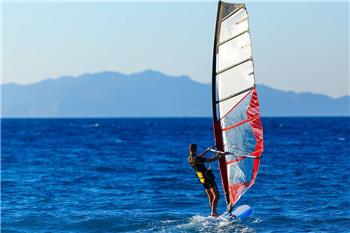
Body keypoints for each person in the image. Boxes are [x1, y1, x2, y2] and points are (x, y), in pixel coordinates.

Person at [188, 143, 227, 217]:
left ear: (189, 150)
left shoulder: (190, 159)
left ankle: (213, 212)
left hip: (202, 179)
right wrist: (222, 155)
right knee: (217, 195)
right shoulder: (197, 159)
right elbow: (211, 160)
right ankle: (213, 212)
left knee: (210, 196)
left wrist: (207, 151)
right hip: (208, 178)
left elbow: (199, 157)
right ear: (196, 149)